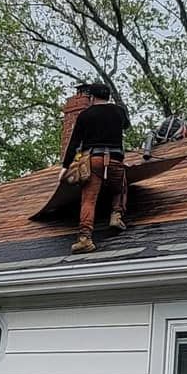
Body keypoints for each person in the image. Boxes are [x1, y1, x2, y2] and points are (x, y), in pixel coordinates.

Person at [60, 83, 131, 254]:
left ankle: (85, 239)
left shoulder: (85, 115)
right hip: (115, 158)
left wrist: (65, 166)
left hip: (93, 161)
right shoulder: (118, 111)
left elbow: (74, 143)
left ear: (92, 97)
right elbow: (126, 126)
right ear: (108, 96)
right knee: (120, 187)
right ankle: (116, 215)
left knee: (89, 199)